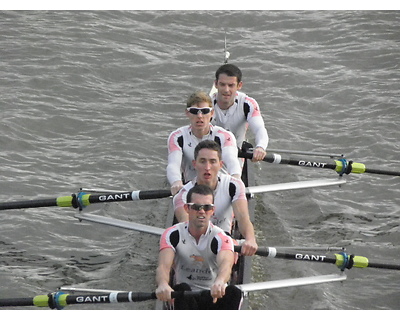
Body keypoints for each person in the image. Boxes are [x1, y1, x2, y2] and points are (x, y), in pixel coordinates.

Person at [155, 184, 243, 310]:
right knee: (182, 289)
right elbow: (163, 266)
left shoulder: (221, 237)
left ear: (212, 211)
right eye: (196, 207)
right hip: (185, 295)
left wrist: (220, 281)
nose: (202, 211)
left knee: (234, 292)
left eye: (207, 207)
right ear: (187, 208)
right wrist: (163, 283)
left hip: (213, 295)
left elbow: (226, 264)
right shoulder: (172, 234)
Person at [173, 140, 258, 256]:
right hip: (195, 243)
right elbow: (188, 229)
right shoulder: (182, 195)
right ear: (194, 164)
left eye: (212, 162)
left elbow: (243, 218)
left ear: (220, 165)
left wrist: (250, 239)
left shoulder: (233, 185)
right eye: (202, 162)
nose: (207, 167)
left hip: (225, 241)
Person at [167, 90, 242, 195]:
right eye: (194, 111)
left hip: (221, 188)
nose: (200, 116)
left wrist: (236, 179)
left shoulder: (224, 136)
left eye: (205, 111)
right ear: (187, 113)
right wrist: (176, 182)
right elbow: (173, 164)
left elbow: (231, 159)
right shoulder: (177, 137)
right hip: (192, 189)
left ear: (212, 113)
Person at [211, 63, 269, 162]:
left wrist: (260, 147)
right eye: (222, 84)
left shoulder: (248, 104)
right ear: (216, 84)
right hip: (210, 154)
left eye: (231, 85)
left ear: (239, 85)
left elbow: (260, 129)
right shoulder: (206, 104)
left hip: (237, 152)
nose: (226, 90)